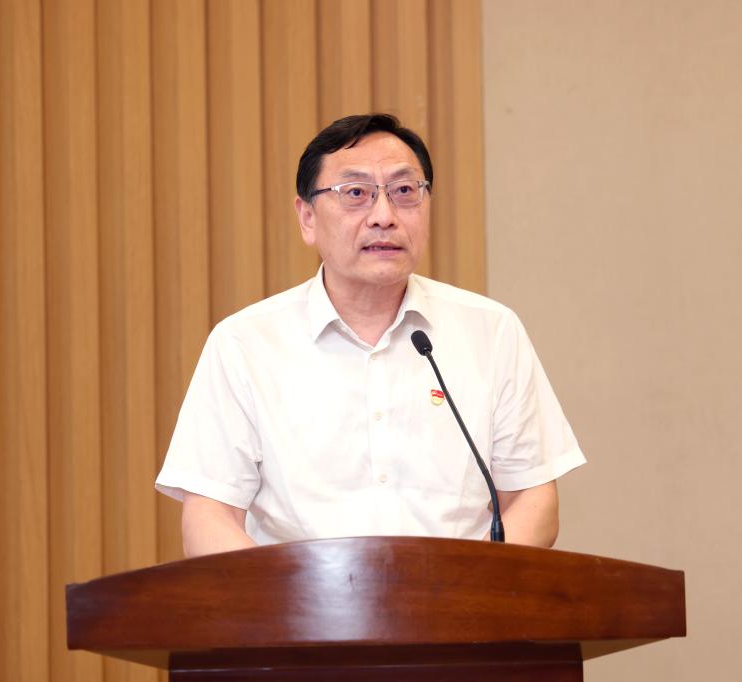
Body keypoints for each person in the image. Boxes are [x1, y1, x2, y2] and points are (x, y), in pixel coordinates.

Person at [155, 113, 585, 556]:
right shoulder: (244, 344)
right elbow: (209, 516)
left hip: (461, 600)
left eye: (404, 192)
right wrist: (281, 596)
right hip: (296, 600)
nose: (384, 216)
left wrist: (470, 590)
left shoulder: (491, 332)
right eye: (356, 193)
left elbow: (533, 499)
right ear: (307, 217)